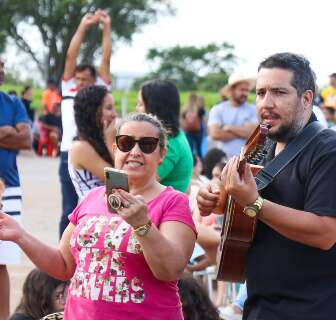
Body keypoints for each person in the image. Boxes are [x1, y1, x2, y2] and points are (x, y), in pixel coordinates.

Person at [197, 53, 336, 320]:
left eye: (279, 92)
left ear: (307, 98)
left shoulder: (335, 152)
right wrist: (218, 200)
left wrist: (254, 204)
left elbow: (325, 232)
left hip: (316, 311)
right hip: (260, 307)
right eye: (261, 92)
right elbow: (242, 203)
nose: (267, 103)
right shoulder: (262, 146)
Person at [0, 113, 197, 319]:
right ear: (115, 149)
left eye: (147, 145)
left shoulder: (173, 202)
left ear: (162, 154)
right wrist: (20, 235)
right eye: (126, 142)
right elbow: (63, 265)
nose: (135, 151)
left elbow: (170, 270)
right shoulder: (92, 197)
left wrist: (142, 225)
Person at [58, 10, 112, 237]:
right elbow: (71, 57)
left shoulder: (98, 94)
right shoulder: (69, 90)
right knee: (69, 209)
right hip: (67, 152)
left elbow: (106, 59)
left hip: (96, 147)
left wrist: (106, 28)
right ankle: (64, 255)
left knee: (99, 203)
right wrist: (83, 26)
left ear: (94, 81)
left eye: (84, 79)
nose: (79, 82)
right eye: (77, 78)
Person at [0, 57, 32, 320]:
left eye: (2, 66)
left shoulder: (13, 103)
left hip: (8, 188)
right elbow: (16, 136)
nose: (1, 72)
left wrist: (14, 135)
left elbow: (26, 139)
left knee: (1, 263)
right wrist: (5, 131)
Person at [137, 79, 193, 192]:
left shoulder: (170, 144)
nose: (137, 109)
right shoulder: (174, 135)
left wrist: (110, 141)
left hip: (165, 207)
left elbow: (140, 183)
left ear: (154, 108)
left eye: (140, 104)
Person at [68, 85, 117, 198]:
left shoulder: (101, 140)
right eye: (109, 108)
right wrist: (111, 141)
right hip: (95, 213)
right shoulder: (80, 147)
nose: (115, 114)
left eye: (114, 108)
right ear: (92, 111)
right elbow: (120, 181)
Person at [208, 72, 258, 159]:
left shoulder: (253, 109)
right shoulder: (218, 109)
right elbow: (214, 134)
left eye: (247, 90)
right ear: (232, 90)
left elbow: (253, 135)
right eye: (242, 90)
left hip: (246, 161)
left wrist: (229, 127)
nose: (245, 93)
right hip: (223, 161)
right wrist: (243, 131)